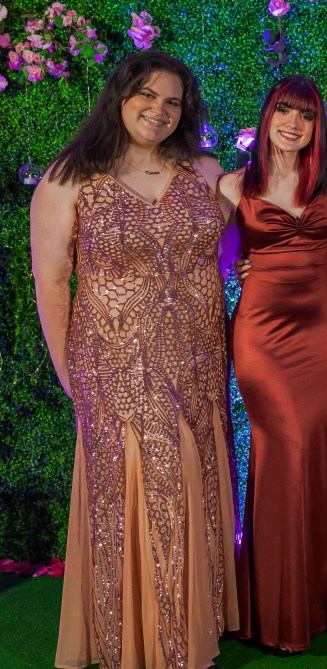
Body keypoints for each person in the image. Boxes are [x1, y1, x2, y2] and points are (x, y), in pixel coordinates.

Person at [30, 51, 238, 668]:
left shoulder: (204, 170)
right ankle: (146, 643)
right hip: (115, 364)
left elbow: (230, 248)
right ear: (119, 97)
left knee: (194, 485)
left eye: (173, 101)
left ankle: (188, 632)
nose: (159, 110)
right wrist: (71, 374)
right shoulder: (70, 177)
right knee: (149, 489)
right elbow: (53, 280)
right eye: (147, 95)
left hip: (200, 359)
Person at [220, 75, 327, 652]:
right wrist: (238, 265)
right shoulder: (232, 185)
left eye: (307, 115)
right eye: (285, 112)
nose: (294, 124)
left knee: (314, 449)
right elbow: (206, 254)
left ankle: (316, 601)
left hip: (321, 329)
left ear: (317, 126)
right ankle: (275, 611)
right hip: (262, 333)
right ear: (267, 116)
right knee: (283, 447)